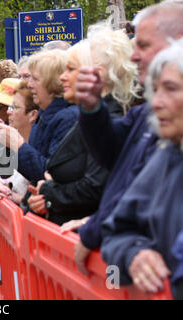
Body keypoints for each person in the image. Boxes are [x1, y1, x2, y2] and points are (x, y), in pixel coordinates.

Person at [69, 1, 183, 275]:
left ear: (178, 42)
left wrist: (94, 228)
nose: (133, 56)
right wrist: (92, 109)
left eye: (142, 45)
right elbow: (115, 158)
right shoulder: (147, 114)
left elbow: (128, 189)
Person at [27, 26, 136, 226]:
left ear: (97, 74)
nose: (62, 77)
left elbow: (96, 187)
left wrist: (49, 192)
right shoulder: (89, 118)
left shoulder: (111, 121)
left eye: (70, 69)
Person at [100, 38, 183, 298]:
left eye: (170, 89)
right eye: (155, 90)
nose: (156, 103)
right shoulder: (167, 157)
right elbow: (112, 239)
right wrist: (133, 253)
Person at [0, 49, 78, 184]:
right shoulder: (45, 115)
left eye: (35, 79)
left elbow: (50, 174)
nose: (29, 84)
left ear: (53, 83)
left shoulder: (68, 118)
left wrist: (18, 145)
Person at [0, 81, 38, 205]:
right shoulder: (7, 139)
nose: (8, 111)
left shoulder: (28, 143)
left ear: (33, 114)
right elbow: (2, 174)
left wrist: (17, 197)